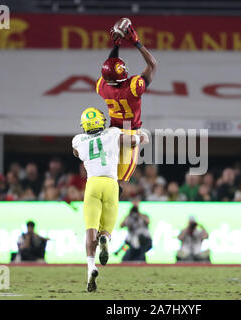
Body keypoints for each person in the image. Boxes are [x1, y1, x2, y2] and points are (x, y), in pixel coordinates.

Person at [72, 107, 146, 292]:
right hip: (111, 184)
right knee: (106, 229)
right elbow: (135, 141)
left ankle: (91, 267)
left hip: (93, 184)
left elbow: (76, 153)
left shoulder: (78, 140)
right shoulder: (112, 134)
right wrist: (143, 136)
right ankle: (105, 239)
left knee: (90, 228)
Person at [96, 21, 157, 184]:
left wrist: (116, 45)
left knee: (108, 177)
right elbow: (152, 65)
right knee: (120, 182)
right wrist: (136, 42)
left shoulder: (102, 87)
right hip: (130, 134)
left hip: (112, 133)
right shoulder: (133, 87)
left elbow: (109, 68)